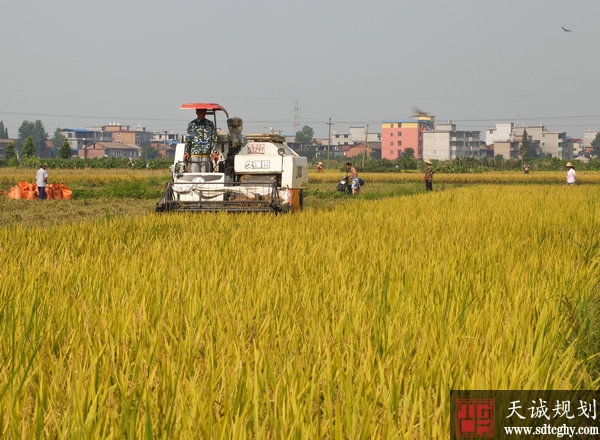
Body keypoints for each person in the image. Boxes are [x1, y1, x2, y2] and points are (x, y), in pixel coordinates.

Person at [184, 108, 217, 172]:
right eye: (199, 112)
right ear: (196, 113)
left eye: (203, 112)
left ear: (205, 113)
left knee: (205, 176)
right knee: (195, 176)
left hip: (206, 154)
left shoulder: (210, 124)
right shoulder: (192, 124)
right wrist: (187, 152)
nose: (201, 114)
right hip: (194, 154)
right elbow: (188, 139)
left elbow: (214, 138)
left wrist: (214, 152)